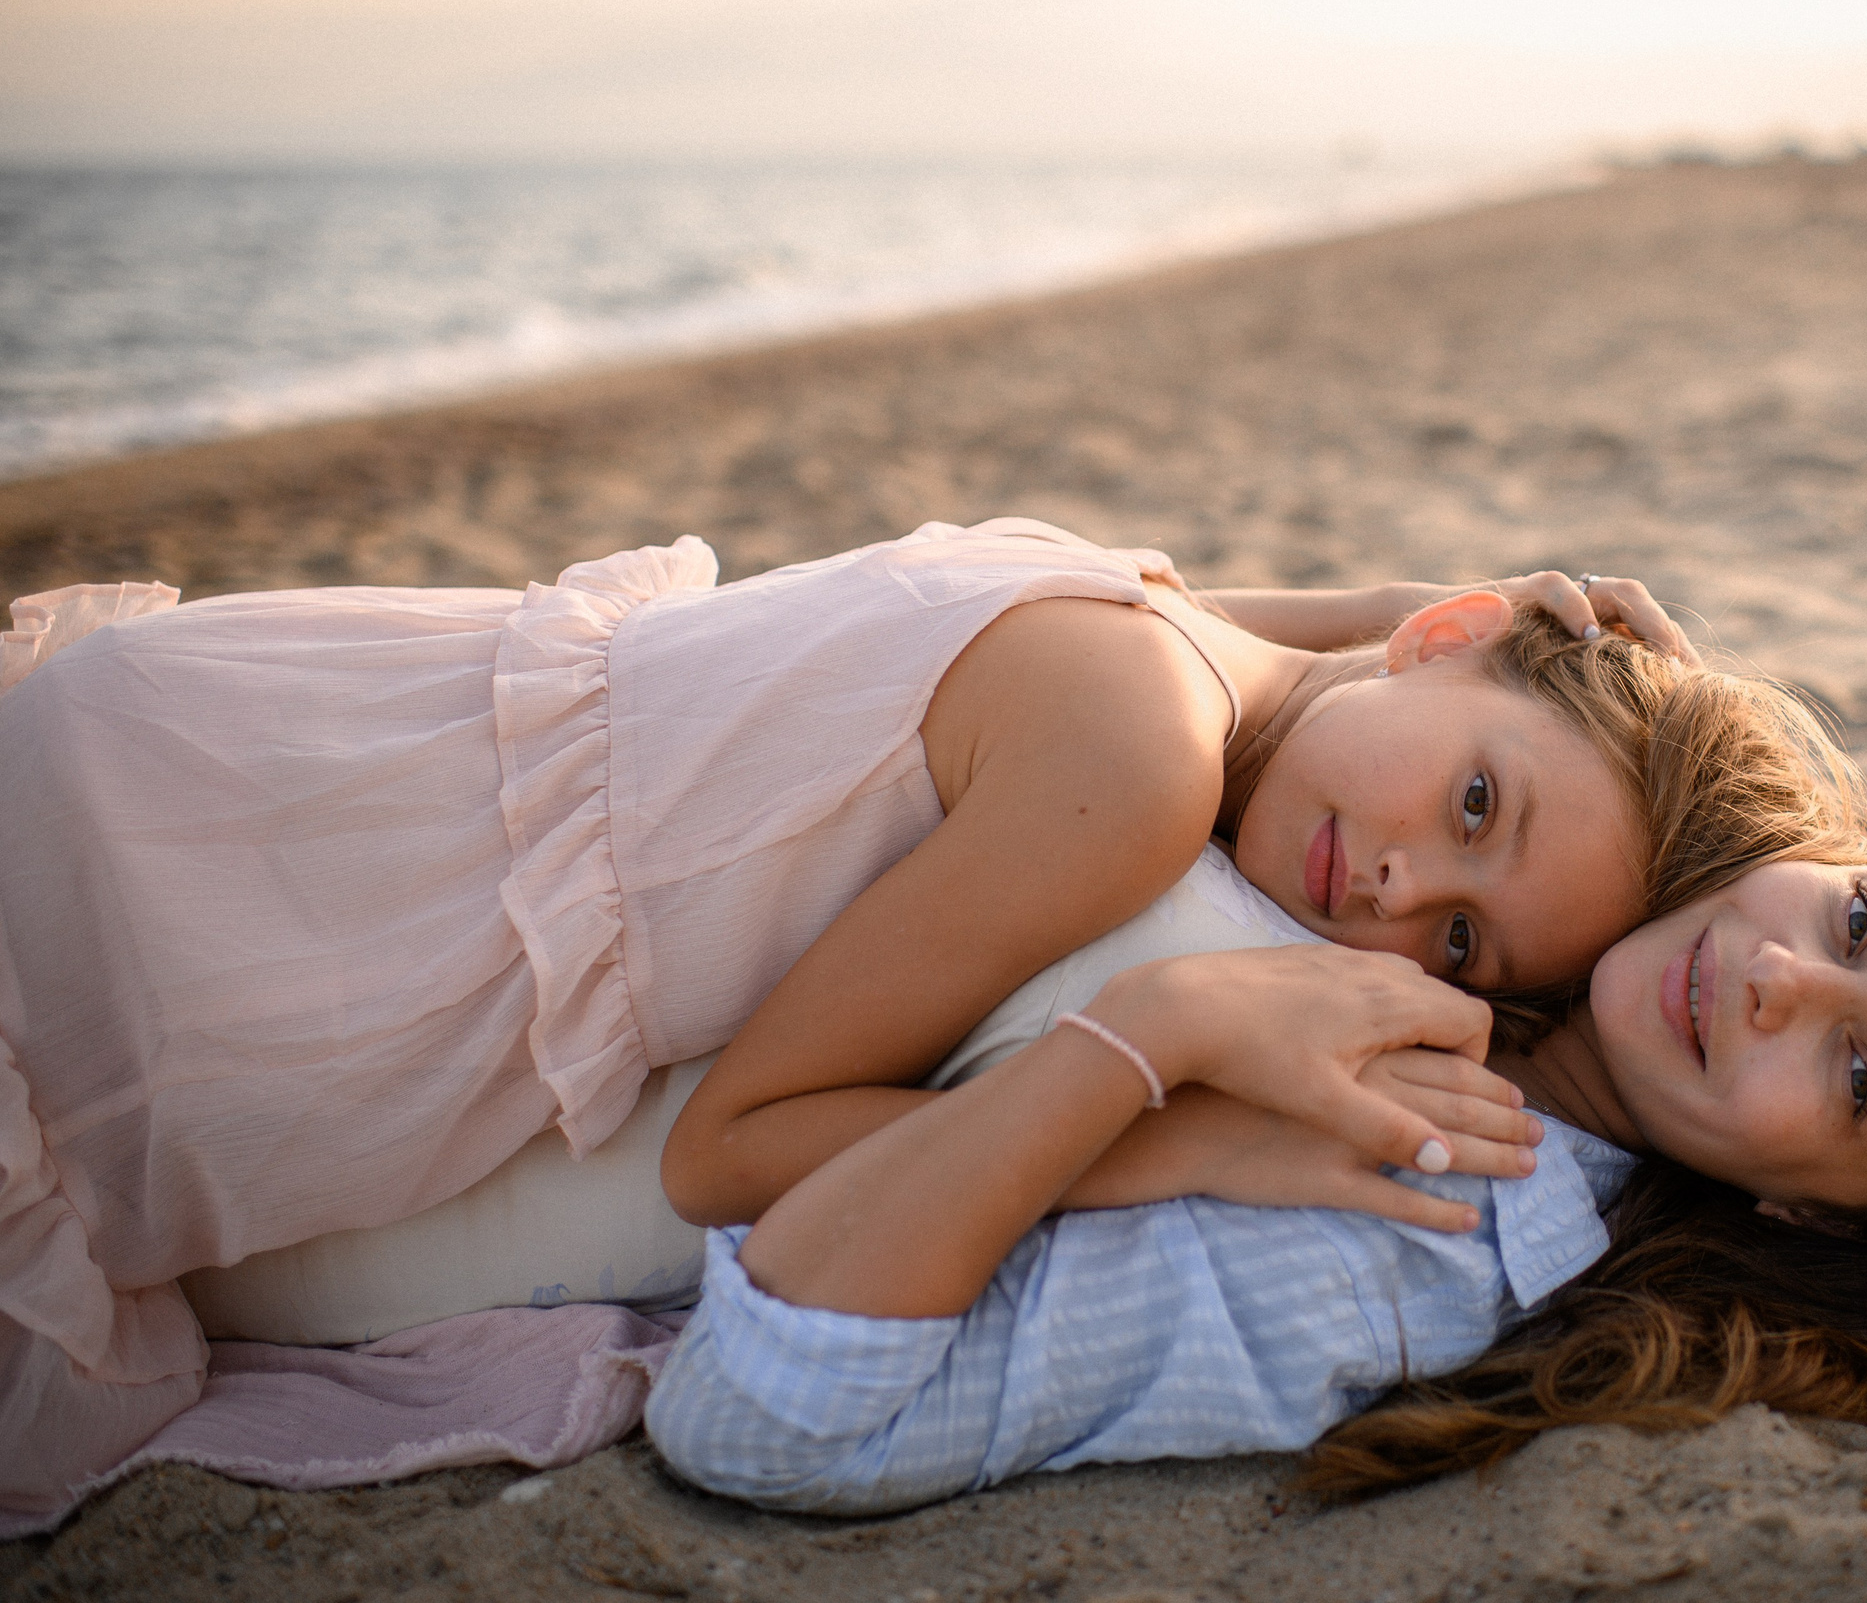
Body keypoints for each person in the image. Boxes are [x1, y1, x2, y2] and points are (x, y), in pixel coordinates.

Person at [0, 516, 1717, 1525]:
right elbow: (733, 1154)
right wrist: (1181, 1114)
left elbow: (1340, 664)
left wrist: (1434, 630)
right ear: (1449, 634)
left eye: (1465, 938)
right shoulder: (1132, 777)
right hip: (232, 908)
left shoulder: (1164, 624)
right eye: (1480, 801)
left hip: (225, 729)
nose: (1397, 888)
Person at [646, 847, 1867, 1515]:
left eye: (1859, 1075)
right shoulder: (1550, 901)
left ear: (1808, 1215)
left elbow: (767, 1419)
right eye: (1859, 916)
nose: (1786, 975)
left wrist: (1152, 1040)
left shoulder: (1423, 1232)